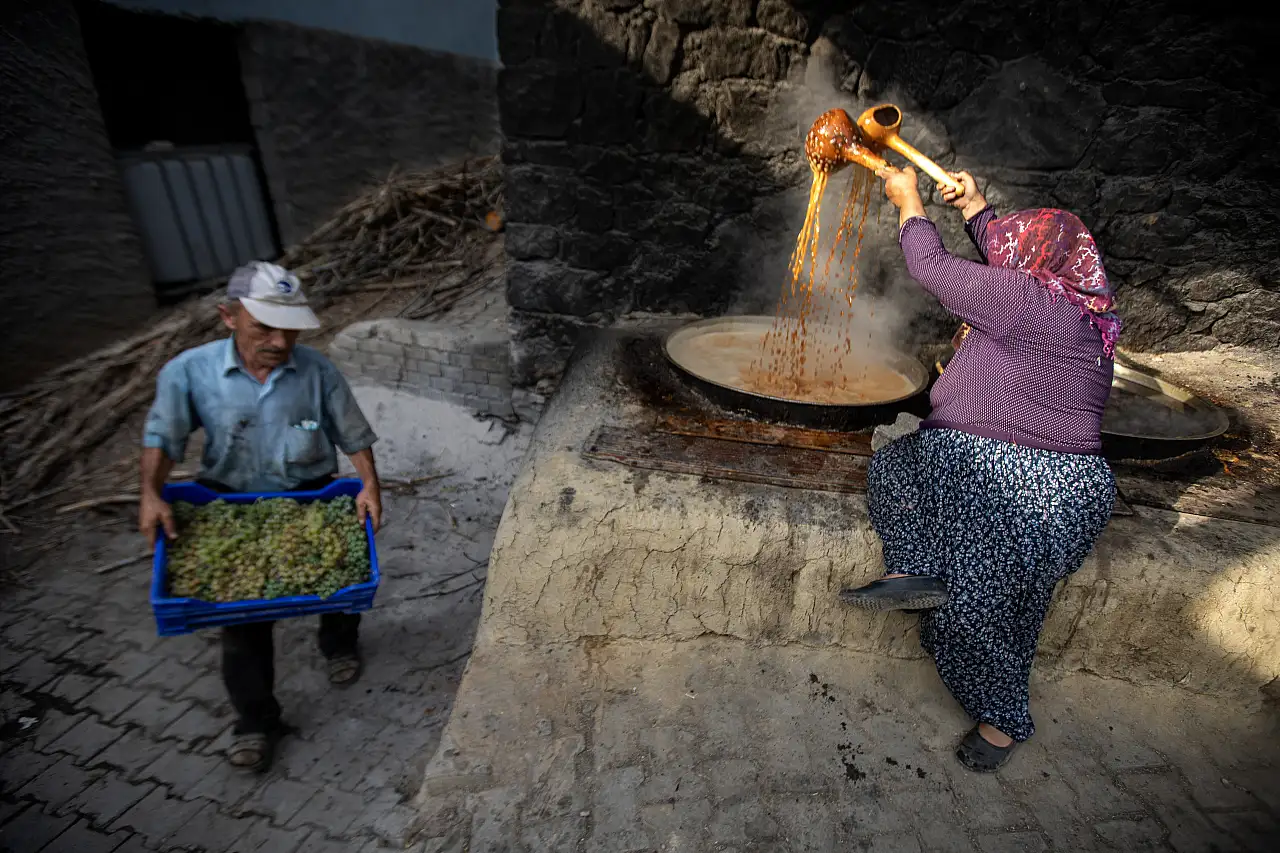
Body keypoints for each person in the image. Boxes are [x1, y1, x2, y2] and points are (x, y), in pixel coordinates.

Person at [839, 166, 1119, 772]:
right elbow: (1009, 260)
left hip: (1002, 474)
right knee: (1014, 599)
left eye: (1007, 247)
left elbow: (932, 269)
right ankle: (926, 585)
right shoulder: (1089, 314)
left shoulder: (1023, 300)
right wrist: (976, 208)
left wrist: (909, 200)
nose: (1001, 254)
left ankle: (1000, 719)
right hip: (1075, 494)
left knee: (905, 485)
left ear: (1026, 264)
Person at [138, 260, 383, 773]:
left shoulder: (317, 371)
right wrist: (151, 494)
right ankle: (256, 721)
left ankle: (339, 644)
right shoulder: (190, 371)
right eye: (264, 328)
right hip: (231, 503)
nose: (279, 342)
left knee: (336, 575)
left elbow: (352, 434)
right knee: (243, 623)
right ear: (228, 316)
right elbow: (163, 437)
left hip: (311, 496)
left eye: (290, 330)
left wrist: (369, 486)